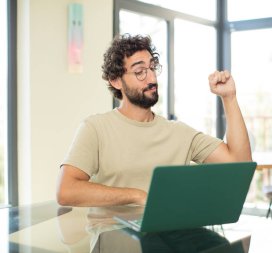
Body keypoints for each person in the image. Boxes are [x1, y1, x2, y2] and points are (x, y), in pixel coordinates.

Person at [56, 34, 252, 207]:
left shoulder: (179, 133)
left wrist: (229, 98)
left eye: (152, 68)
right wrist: (136, 195)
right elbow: (66, 191)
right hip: (114, 239)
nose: (151, 78)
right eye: (140, 71)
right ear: (116, 80)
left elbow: (239, 164)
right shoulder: (95, 128)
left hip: (171, 237)